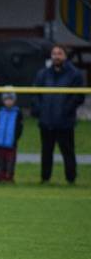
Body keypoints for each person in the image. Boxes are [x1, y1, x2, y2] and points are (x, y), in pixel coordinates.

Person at [32, 44, 85, 184]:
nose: (56, 56)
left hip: (65, 122)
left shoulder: (75, 74)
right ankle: (45, 179)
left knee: (67, 152)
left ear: (65, 56)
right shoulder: (43, 73)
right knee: (46, 152)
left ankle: (70, 179)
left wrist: (66, 110)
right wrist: (40, 110)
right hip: (46, 121)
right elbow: (35, 94)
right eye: (54, 53)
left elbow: (79, 97)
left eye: (59, 53)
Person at [0, 92, 23, 182]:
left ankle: (9, 177)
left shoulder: (17, 112)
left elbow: (19, 128)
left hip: (11, 142)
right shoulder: (0, 111)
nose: (8, 102)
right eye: (6, 99)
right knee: (0, 160)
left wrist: (15, 138)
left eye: (11, 99)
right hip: (0, 141)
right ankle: (0, 176)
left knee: (10, 160)